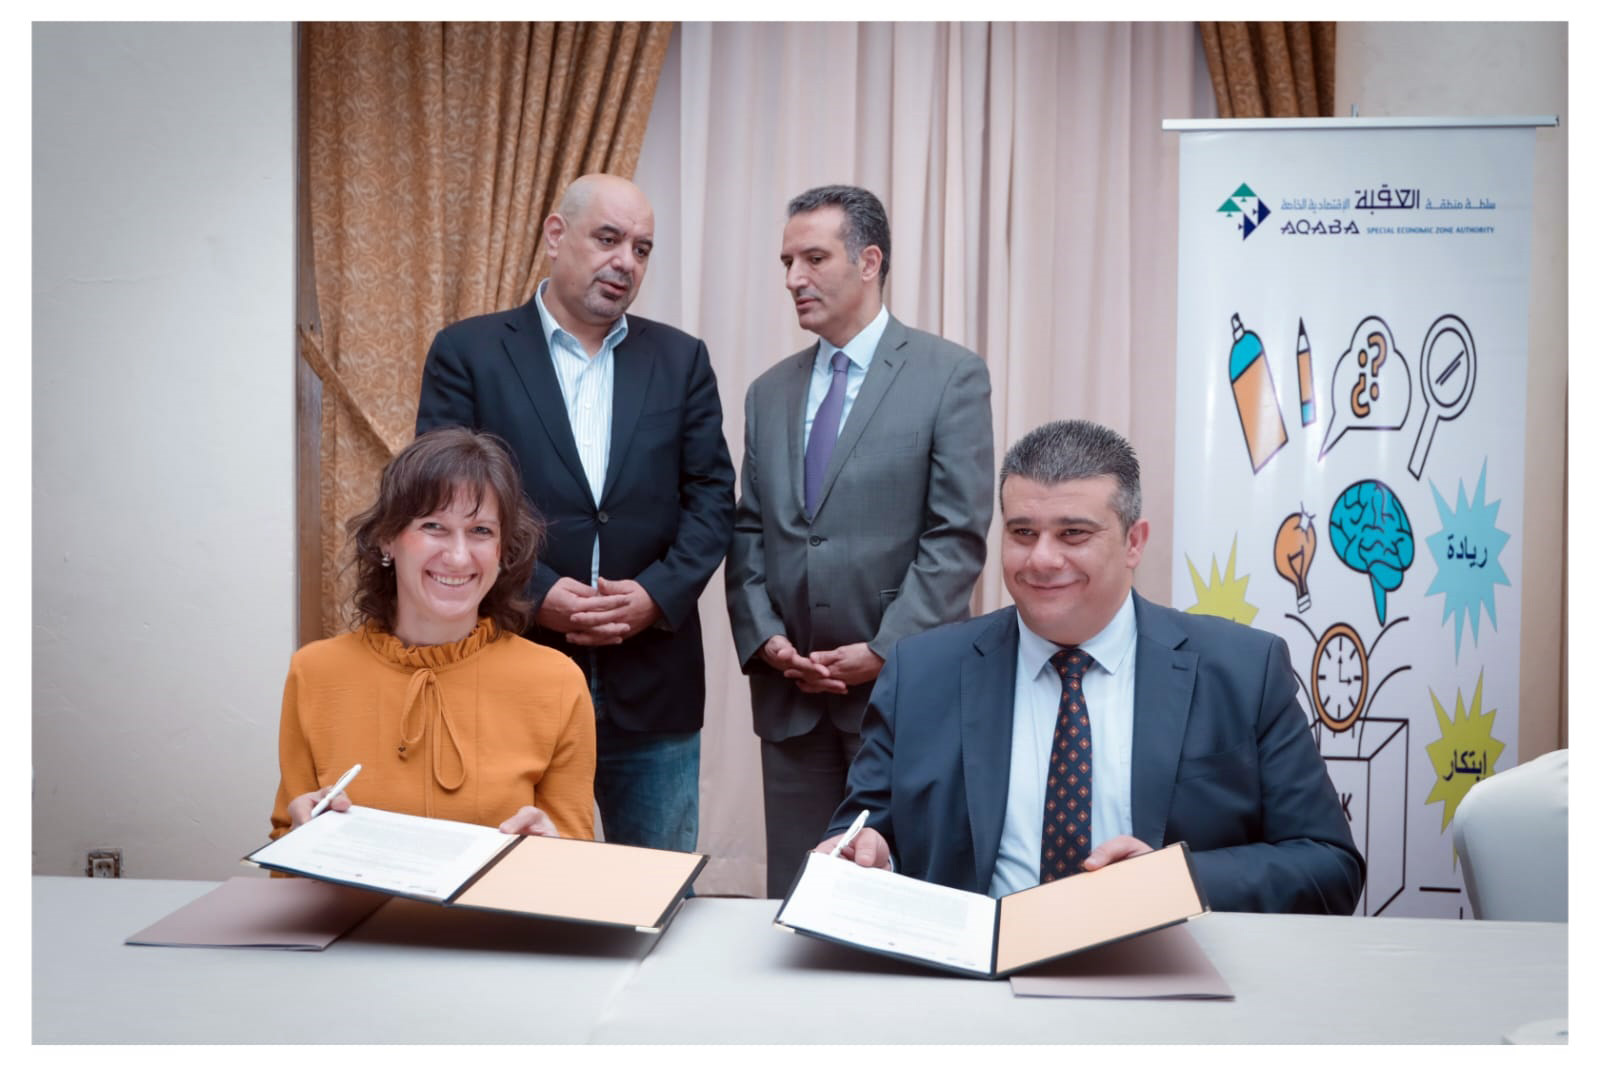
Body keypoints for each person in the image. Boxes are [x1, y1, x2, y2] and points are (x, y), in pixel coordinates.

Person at [817, 419, 1364, 914]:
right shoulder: (921, 672)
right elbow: (866, 830)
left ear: (1133, 542)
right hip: (974, 975)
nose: (1041, 559)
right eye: (1022, 533)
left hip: (1159, 968)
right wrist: (867, 854)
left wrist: (1173, 880)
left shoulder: (1243, 670)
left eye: (1073, 534)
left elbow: (1328, 865)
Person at [415, 174, 735, 853]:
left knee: (654, 887)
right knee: (509, 881)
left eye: (642, 249)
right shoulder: (469, 353)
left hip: (654, 678)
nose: (626, 262)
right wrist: (534, 592)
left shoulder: (681, 360)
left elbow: (712, 498)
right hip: (510, 664)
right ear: (556, 236)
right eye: (608, 239)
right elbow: (442, 504)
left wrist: (656, 594)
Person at [726, 184, 994, 897]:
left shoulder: (951, 376)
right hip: (792, 698)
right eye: (787, 262)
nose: (794, 278)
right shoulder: (767, 393)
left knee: (902, 896)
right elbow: (749, 529)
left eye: (813, 258)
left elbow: (956, 535)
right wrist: (766, 638)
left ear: (869, 261)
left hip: (904, 692)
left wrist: (883, 650)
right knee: (799, 894)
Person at [271, 427, 595, 841]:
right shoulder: (314, 672)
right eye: (434, 526)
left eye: (481, 531)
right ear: (387, 539)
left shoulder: (558, 682)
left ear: (503, 549)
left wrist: (555, 849)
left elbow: (573, 856)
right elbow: (284, 846)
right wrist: (300, 836)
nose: (458, 557)